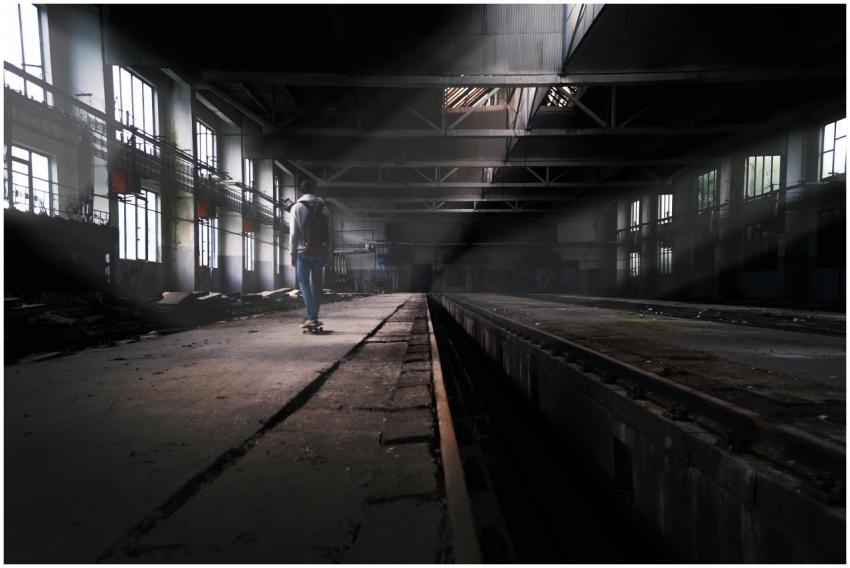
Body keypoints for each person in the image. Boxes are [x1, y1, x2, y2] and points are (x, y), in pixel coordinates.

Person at [289, 179, 333, 328]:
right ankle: (314, 316)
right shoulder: (325, 209)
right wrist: (328, 256)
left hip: (303, 252)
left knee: (304, 284)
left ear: (300, 191)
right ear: (314, 191)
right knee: (316, 285)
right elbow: (329, 235)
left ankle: (311, 317)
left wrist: (292, 253)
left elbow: (293, 233)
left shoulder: (297, 207)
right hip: (319, 251)